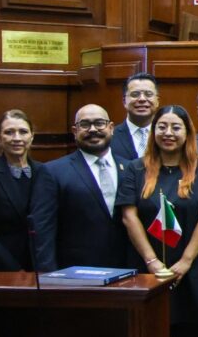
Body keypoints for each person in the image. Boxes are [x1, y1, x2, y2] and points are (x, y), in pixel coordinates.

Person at [118, 105, 198, 337]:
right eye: (162, 127)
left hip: (194, 269)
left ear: (187, 132)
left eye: (176, 127)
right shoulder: (136, 168)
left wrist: (185, 262)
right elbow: (129, 216)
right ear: (153, 131)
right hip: (149, 269)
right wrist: (152, 261)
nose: (168, 133)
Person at [31, 104, 129, 271]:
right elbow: (42, 228)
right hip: (75, 273)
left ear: (111, 128)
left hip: (128, 270)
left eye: (99, 123)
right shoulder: (53, 172)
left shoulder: (130, 169)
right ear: (75, 131)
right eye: (85, 124)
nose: (93, 129)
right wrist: (48, 276)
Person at [0, 110, 43, 273]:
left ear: (32, 136)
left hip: (41, 266)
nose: (17, 138)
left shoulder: (45, 172)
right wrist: (13, 269)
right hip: (0, 268)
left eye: (23, 132)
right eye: (9, 132)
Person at [110, 72, 160, 161]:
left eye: (148, 94)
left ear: (157, 101)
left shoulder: (167, 135)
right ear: (124, 101)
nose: (142, 99)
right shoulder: (110, 136)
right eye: (135, 94)